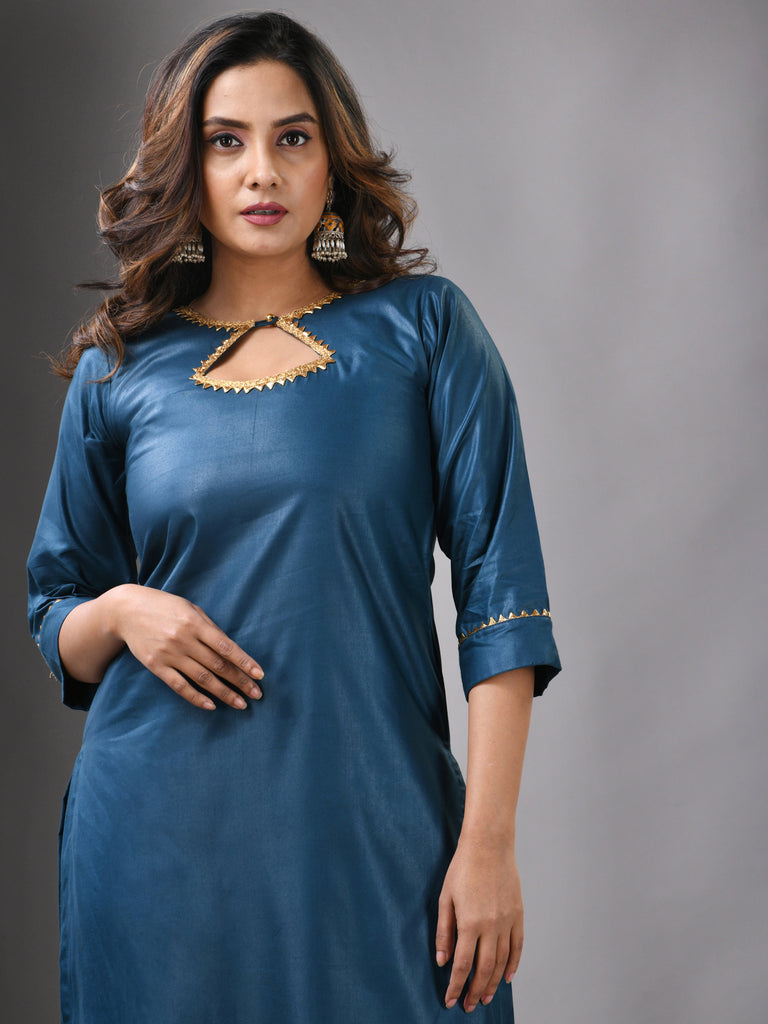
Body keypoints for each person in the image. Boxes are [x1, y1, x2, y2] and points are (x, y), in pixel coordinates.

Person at [27, 11, 560, 1023]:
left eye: (293, 137)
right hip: (155, 844)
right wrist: (127, 610)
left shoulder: (424, 330)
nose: (261, 171)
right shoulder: (118, 368)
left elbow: (503, 598)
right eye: (226, 141)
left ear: (332, 160)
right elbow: (56, 607)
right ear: (187, 165)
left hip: (372, 823)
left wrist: (488, 845)